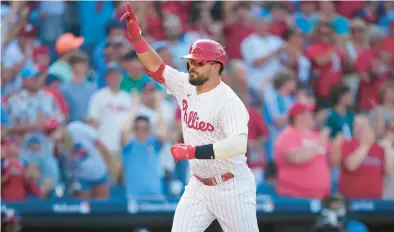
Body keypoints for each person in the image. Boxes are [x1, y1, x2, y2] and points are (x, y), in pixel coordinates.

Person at [120, 3, 258, 232]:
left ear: (216, 67)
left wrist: (194, 151)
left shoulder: (229, 102)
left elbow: (238, 144)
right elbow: (157, 67)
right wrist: (137, 38)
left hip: (231, 185)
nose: (192, 66)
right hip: (198, 185)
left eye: (199, 62)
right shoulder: (186, 84)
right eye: (191, 62)